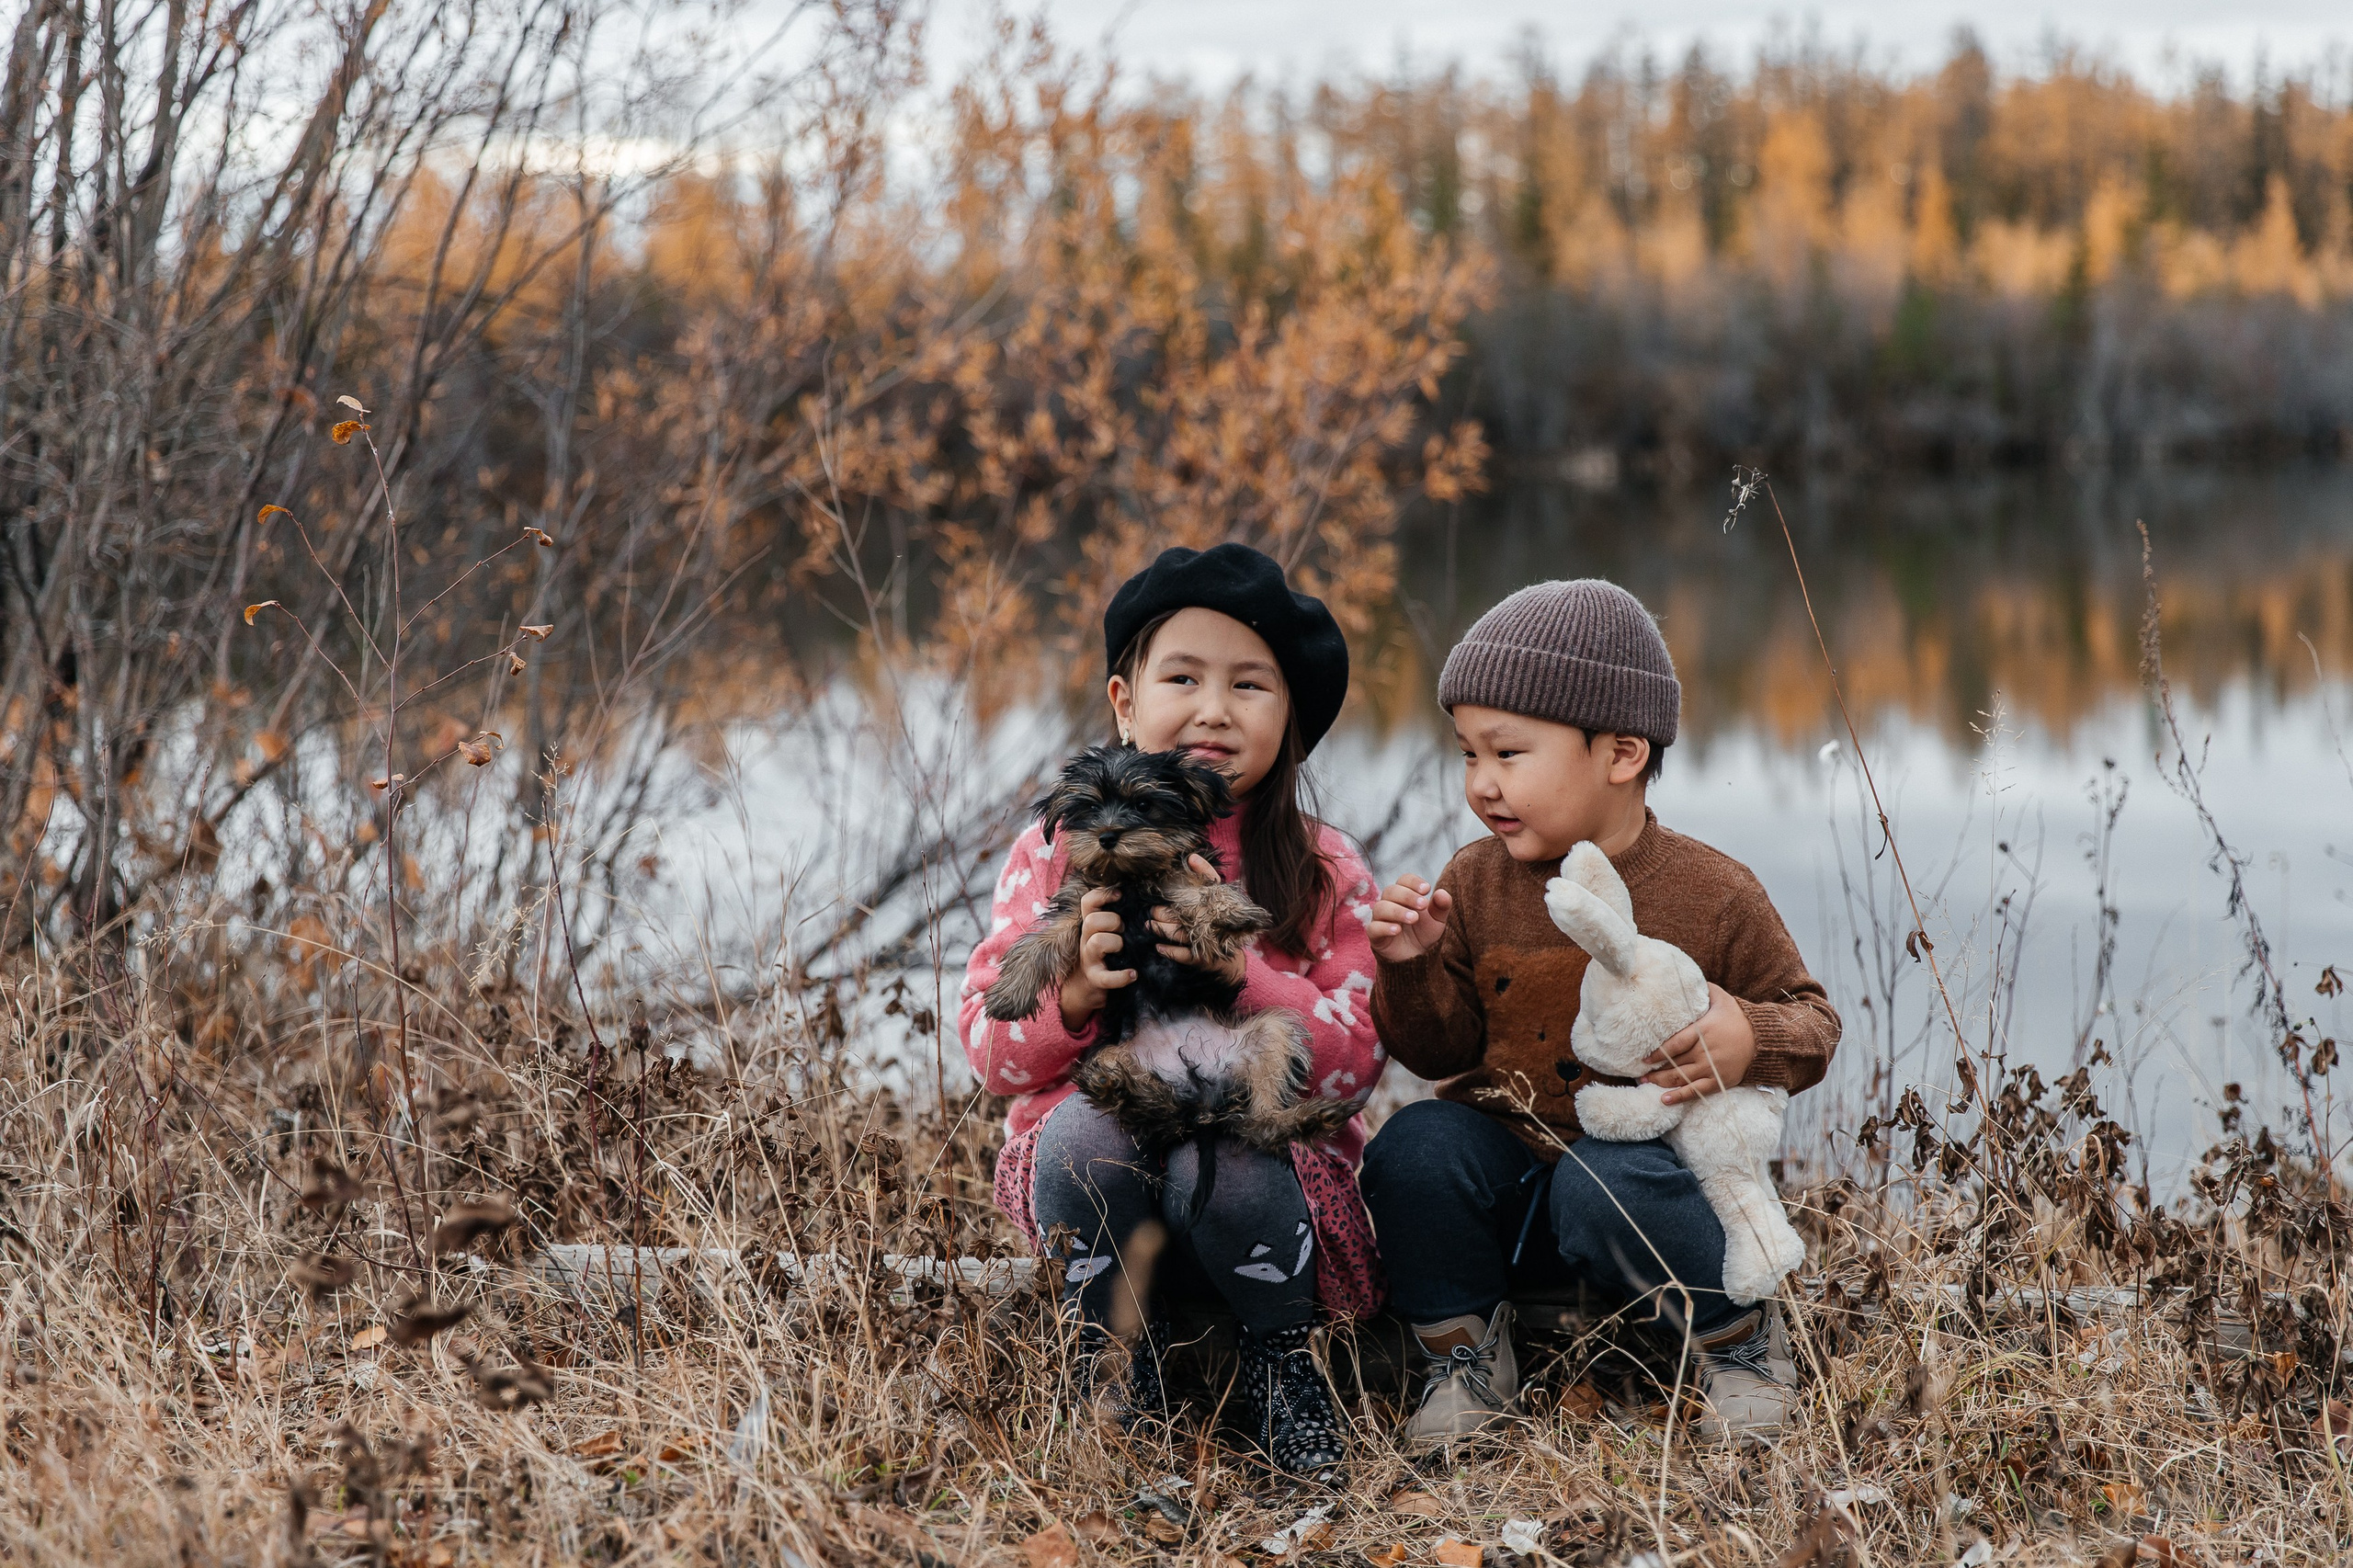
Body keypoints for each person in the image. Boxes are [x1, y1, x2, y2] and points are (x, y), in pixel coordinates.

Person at [1361, 578, 1841, 1444]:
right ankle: (1465, 1356)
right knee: (1413, 1148)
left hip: (1642, 1202)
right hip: (1510, 1196)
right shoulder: (1474, 881)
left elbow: (1813, 1024)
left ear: (1621, 754)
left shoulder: (1712, 891)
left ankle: (1738, 1345)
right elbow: (1437, 1052)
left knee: (1602, 1178)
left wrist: (1748, 1038)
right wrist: (1406, 969)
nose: (1481, 785)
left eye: (1508, 754)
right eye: (1468, 754)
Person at [959, 543, 1385, 1481]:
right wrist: (1074, 993)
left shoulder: (1322, 865)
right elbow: (990, 1051)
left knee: (1225, 1153)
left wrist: (1243, 973)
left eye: (1249, 685)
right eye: (1182, 675)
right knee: (1085, 1129)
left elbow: (1355, 1064)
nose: (1213, 708)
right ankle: (1115, 1372)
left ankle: (1283, 1365)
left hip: (1268, 1182)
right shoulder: (1053, 851)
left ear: (1293, 719)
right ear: (1124, 700)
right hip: (1097, 1181)